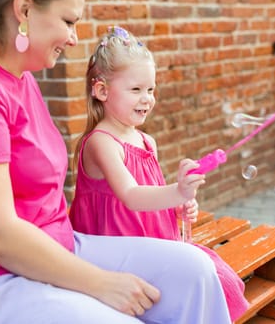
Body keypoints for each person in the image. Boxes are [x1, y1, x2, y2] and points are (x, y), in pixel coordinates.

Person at [0, 0, 233, 323]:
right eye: (69, 21)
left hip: (57, 251)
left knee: (195, 271)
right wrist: (101, 283)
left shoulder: (21, 79)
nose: (74, 39)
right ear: (24, 9)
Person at [68, 26, 249, 322]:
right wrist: (176, 190)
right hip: (117, 247)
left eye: (150, 89)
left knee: (219, 278)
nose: (147, 99)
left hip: (153, 239)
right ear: (101, 91)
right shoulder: (101, 142)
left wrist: (179, 204)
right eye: (136, 89)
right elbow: (131, 196)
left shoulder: (146, 141)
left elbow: (152, 192)